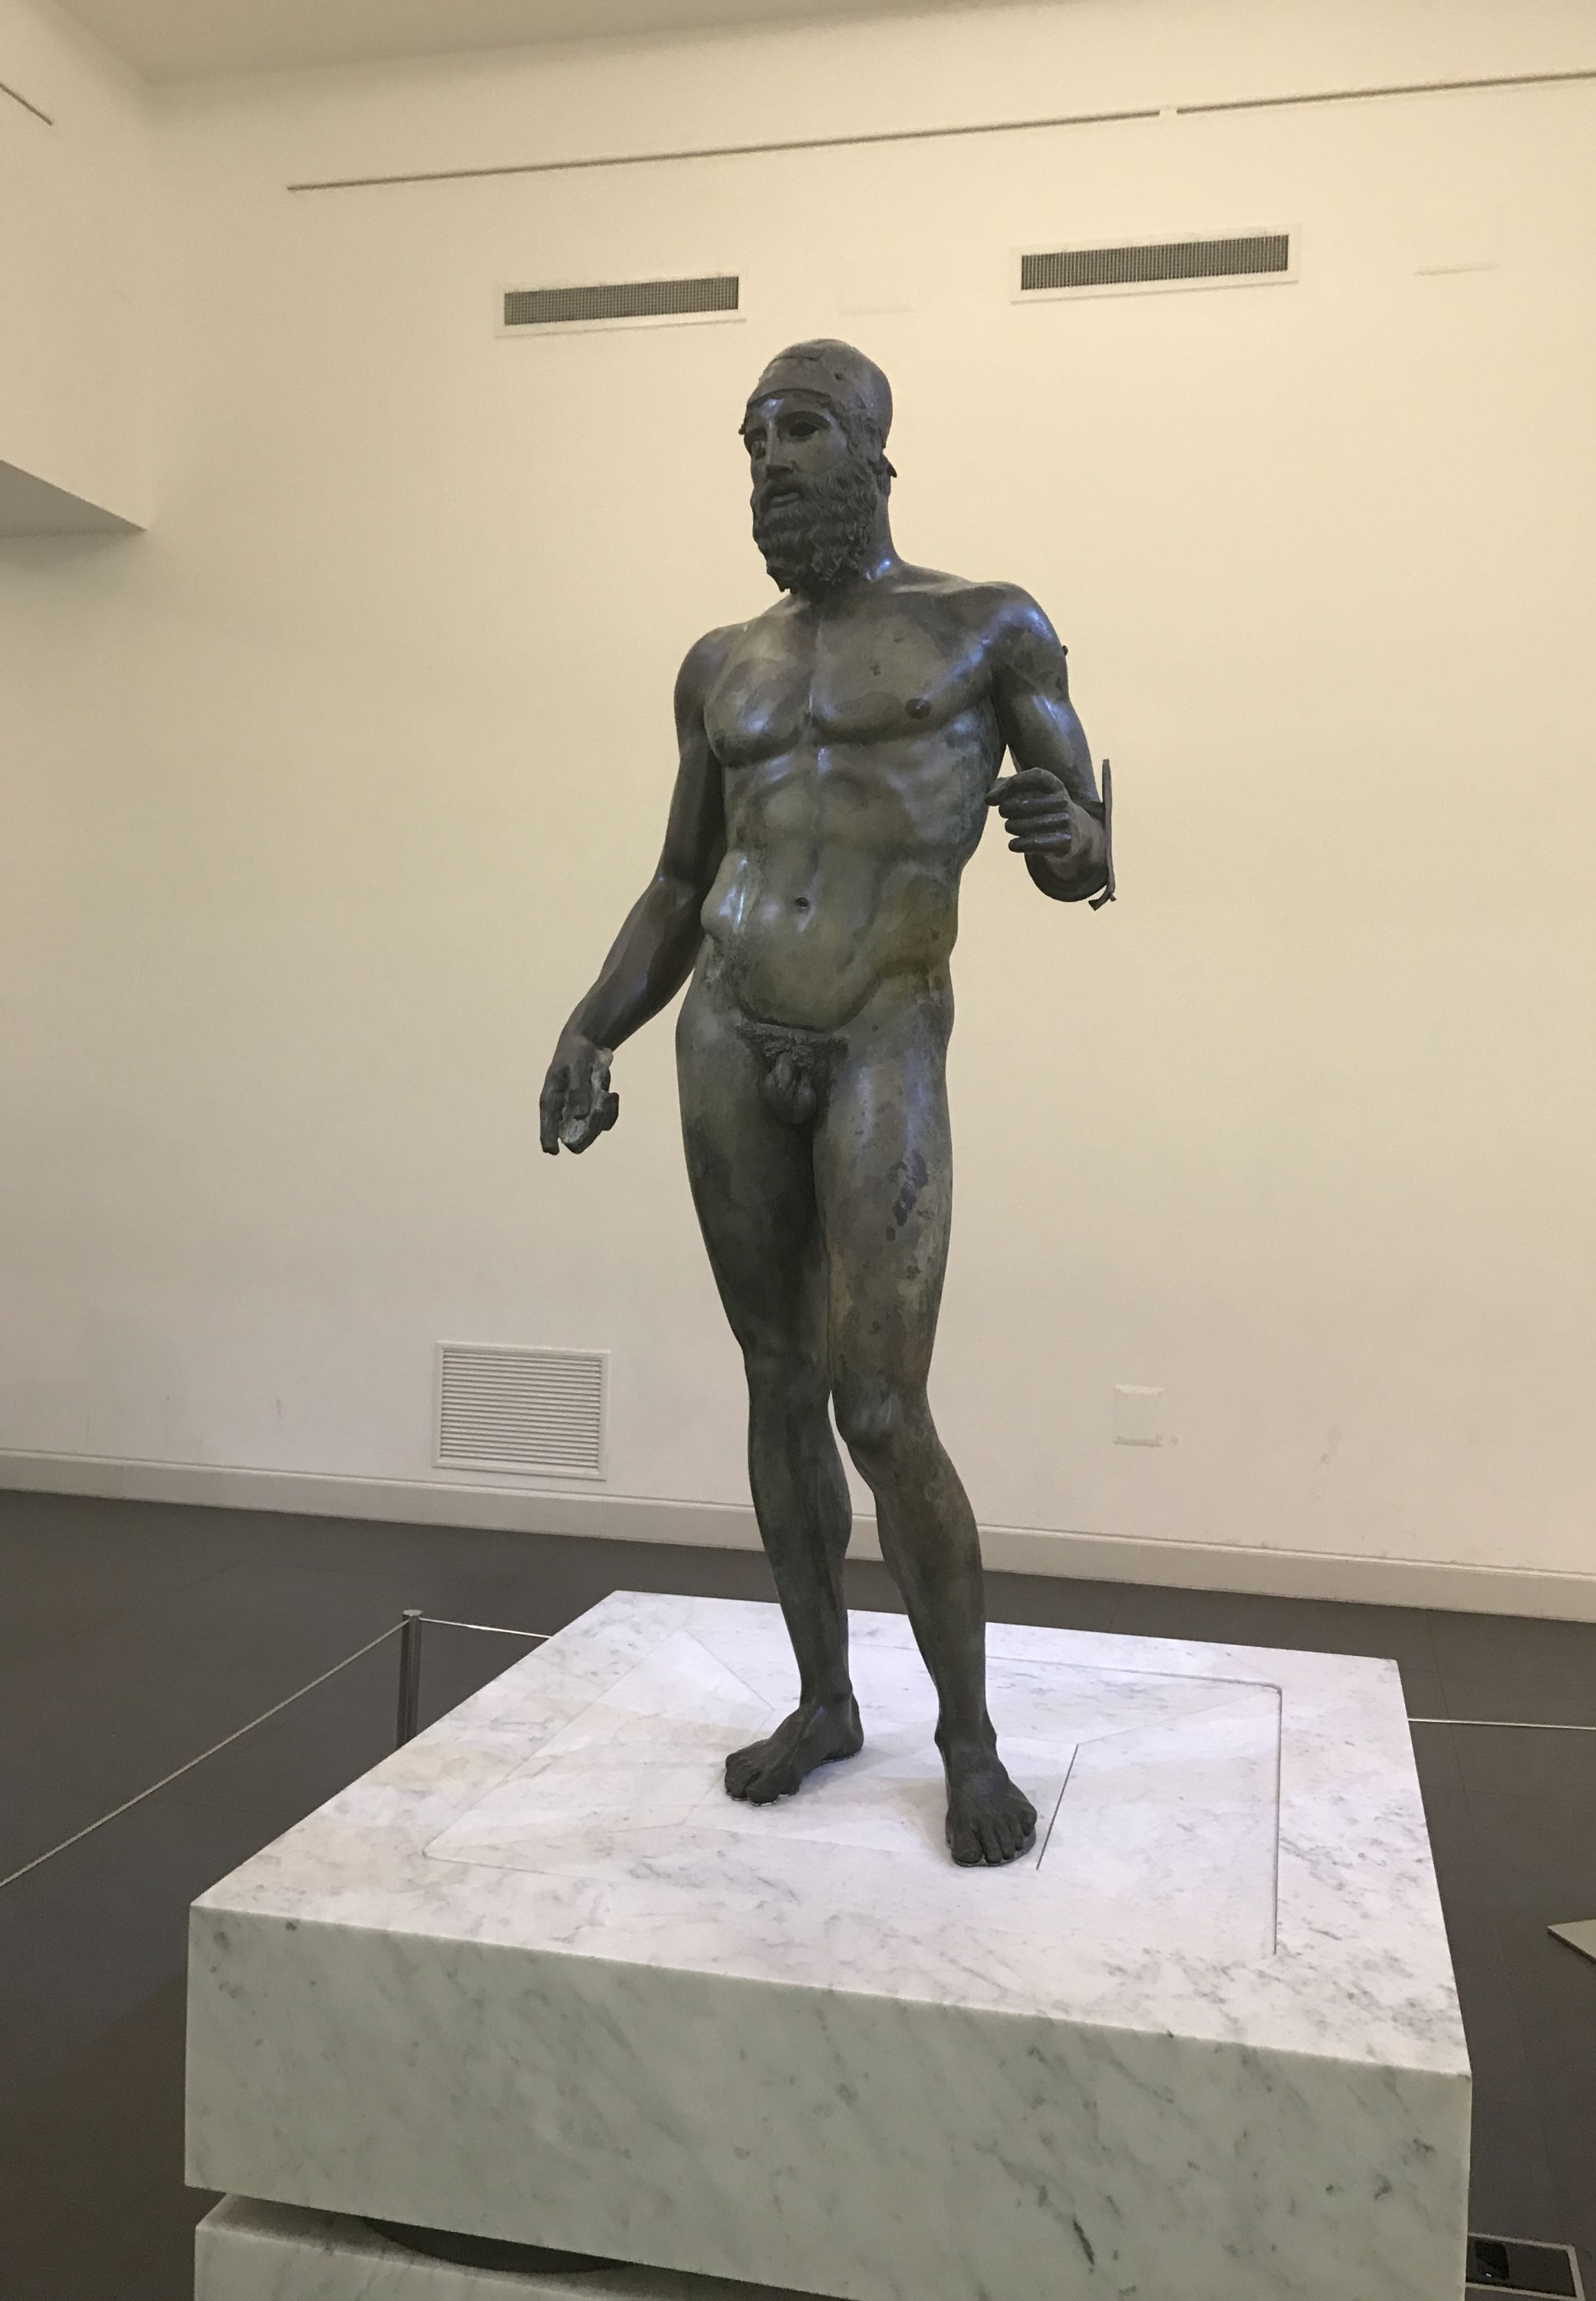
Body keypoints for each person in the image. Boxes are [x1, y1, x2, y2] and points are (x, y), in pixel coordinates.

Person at [540, 341, 1110, 1865]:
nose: (772, 460)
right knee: (778, 1378)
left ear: (872, 449)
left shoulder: (989, 626)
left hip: (878, 1028)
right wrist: (591, 1024)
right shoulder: (719, 665)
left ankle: (970, 1741)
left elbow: (1082, 849)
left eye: (801, 431)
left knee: (880, 1403)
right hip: (727, 1026)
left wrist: (1073, 842)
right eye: (753, 439)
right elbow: (680, 880)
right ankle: (822, 1701)